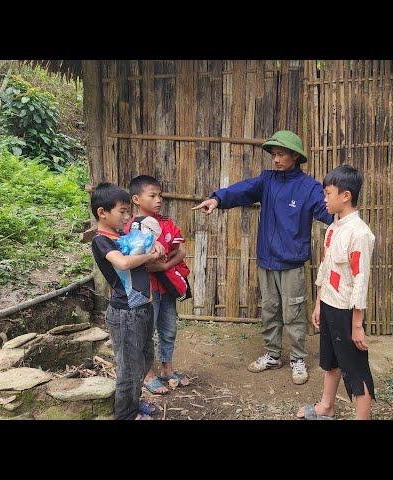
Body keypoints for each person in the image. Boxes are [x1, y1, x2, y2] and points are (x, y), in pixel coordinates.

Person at [193, 130, 333, 384]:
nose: (276, 159)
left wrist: (343, 218)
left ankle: (298, 359)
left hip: (291, 263)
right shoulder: (267, 181)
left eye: (281, 154)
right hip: (266, 261)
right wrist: (217, 199)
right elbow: (242, 190)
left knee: (293, 312)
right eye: (274, 154)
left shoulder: (309, 187)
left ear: (295, 156)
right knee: (269, 310)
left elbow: (328, 212)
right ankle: (272, 354)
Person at [296, 165, 376, 420]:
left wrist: (357, 324)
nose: (324, 199)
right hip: (330, 304)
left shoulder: (360, 233)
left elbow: (361, 280)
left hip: (346, 311)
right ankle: (326, 407)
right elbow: (326, 269)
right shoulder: (332, 228)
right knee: (331, 361)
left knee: (355, 368)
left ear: (346, 196)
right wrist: (319, 303)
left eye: (328, 193)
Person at [90, 183, 165, 420]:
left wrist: (155, 246)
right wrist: (149, 255)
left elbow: (141, 258)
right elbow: (122, 264)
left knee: (144, 360)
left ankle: (134, 401)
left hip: (142, 308)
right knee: (129, 368)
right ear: (102, 212)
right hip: (125, 313)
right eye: (122, 211)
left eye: (127, 212)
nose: (127, 217)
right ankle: (126, 415)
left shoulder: (124, 236)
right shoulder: (101, 240)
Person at [126, 175, 191, 396]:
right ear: (136, 199)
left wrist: (163, 267)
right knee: (146, 331)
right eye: (152, 196)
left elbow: (180, 250)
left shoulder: (167, 223)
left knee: (169, 329)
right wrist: (153, 260)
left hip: (167, 287)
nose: (158, 200)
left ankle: (167, 368)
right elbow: (135, 257)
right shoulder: (131, 227)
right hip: (146, 290)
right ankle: (147, 374)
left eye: (160, 195)